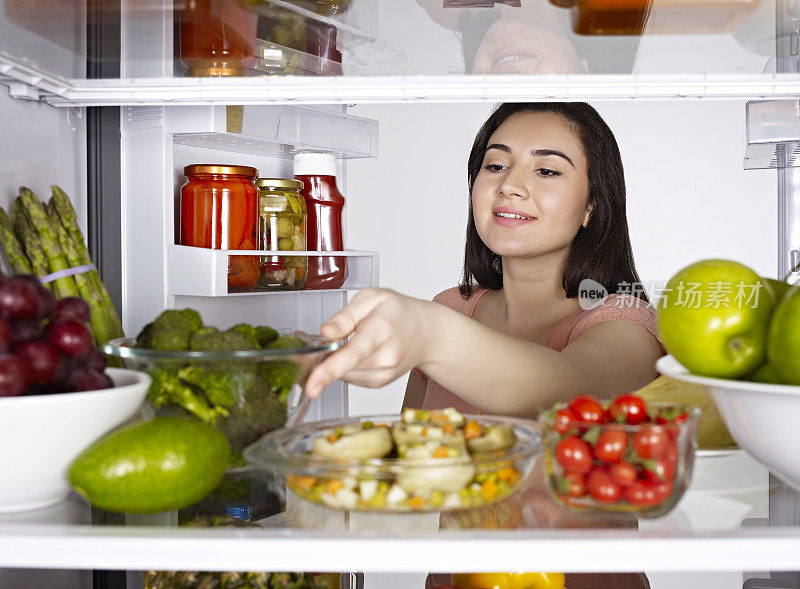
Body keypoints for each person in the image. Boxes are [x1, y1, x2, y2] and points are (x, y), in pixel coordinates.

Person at [304, 102, 663, 589]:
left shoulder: (625, 320)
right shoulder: (452, 307)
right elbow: (414, 463)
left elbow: (564, 389)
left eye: (547, 169)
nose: (510, 184)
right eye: (495, 165)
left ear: (591, 207)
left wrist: (428, 334)